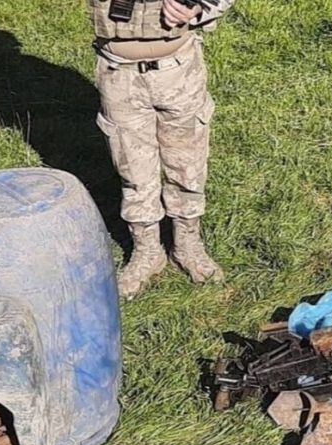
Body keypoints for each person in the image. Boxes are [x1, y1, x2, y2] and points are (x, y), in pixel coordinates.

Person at [91, 0, 232, 299]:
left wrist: (197, 9)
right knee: (134, 170)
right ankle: (146, 253)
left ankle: (188, 246)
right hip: (120, 75)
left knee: (187, 166)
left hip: (179, 71)